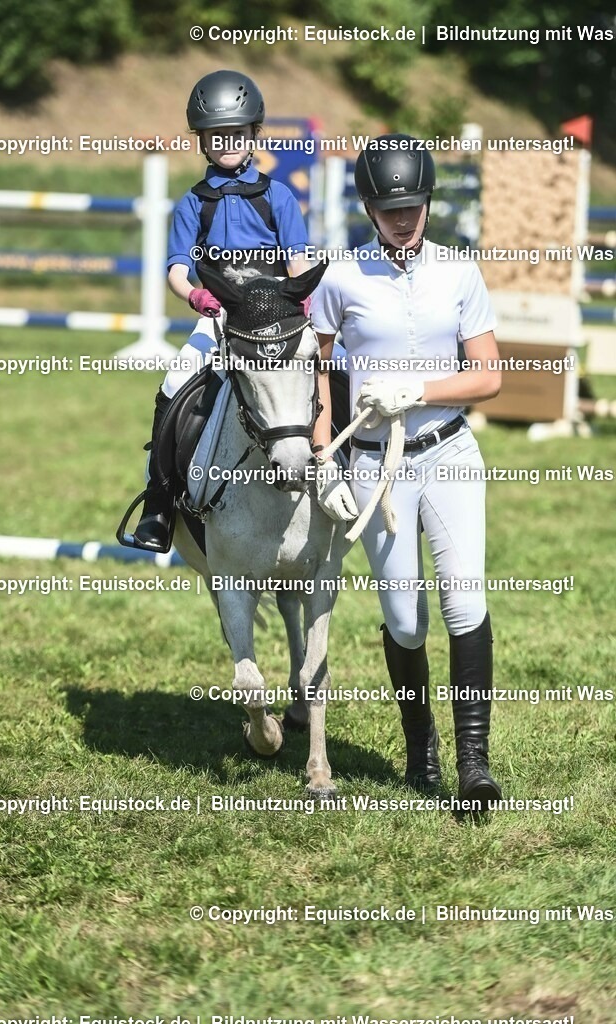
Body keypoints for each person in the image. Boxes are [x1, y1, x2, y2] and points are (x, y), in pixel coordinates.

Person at [311, 134, 504, 809]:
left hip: (449, 452)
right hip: (374, 466)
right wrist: (320, 459)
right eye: (389, 208)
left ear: (428, 201)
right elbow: (320, 374)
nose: (403, 219)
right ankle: (418, 743)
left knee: (464, 602)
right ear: (367, 205)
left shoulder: (458, 272)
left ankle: (473, 764)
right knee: (403, 621)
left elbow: (488, 376)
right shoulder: (339, 278)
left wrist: (417, 391)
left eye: (413, 206)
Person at [132, 69, 310, 551]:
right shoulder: (194, 201)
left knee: (319, 375)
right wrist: (193, 294)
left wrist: (301, 295)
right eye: (216, 135)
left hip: (274, 317)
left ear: (253, 133)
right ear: (203, 141)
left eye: (236, 132)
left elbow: (298, 257)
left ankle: (332, 478)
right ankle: (158, 503)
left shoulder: (279, 197)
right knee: (173, 385)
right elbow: (175, 268)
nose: (226, 141)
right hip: (218, 319)